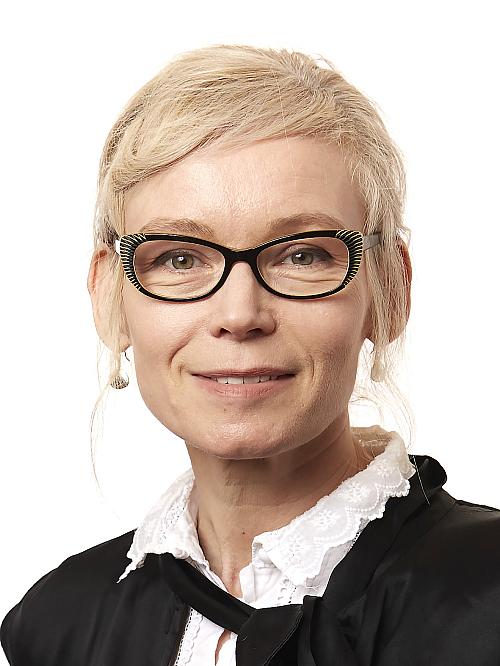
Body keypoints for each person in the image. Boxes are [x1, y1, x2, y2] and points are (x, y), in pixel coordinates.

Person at [2, 44, 500, 666]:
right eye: (179, 257)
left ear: (390, 290)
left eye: (303, 254)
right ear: (110, 297)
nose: (240, 315)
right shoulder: (56, 626)